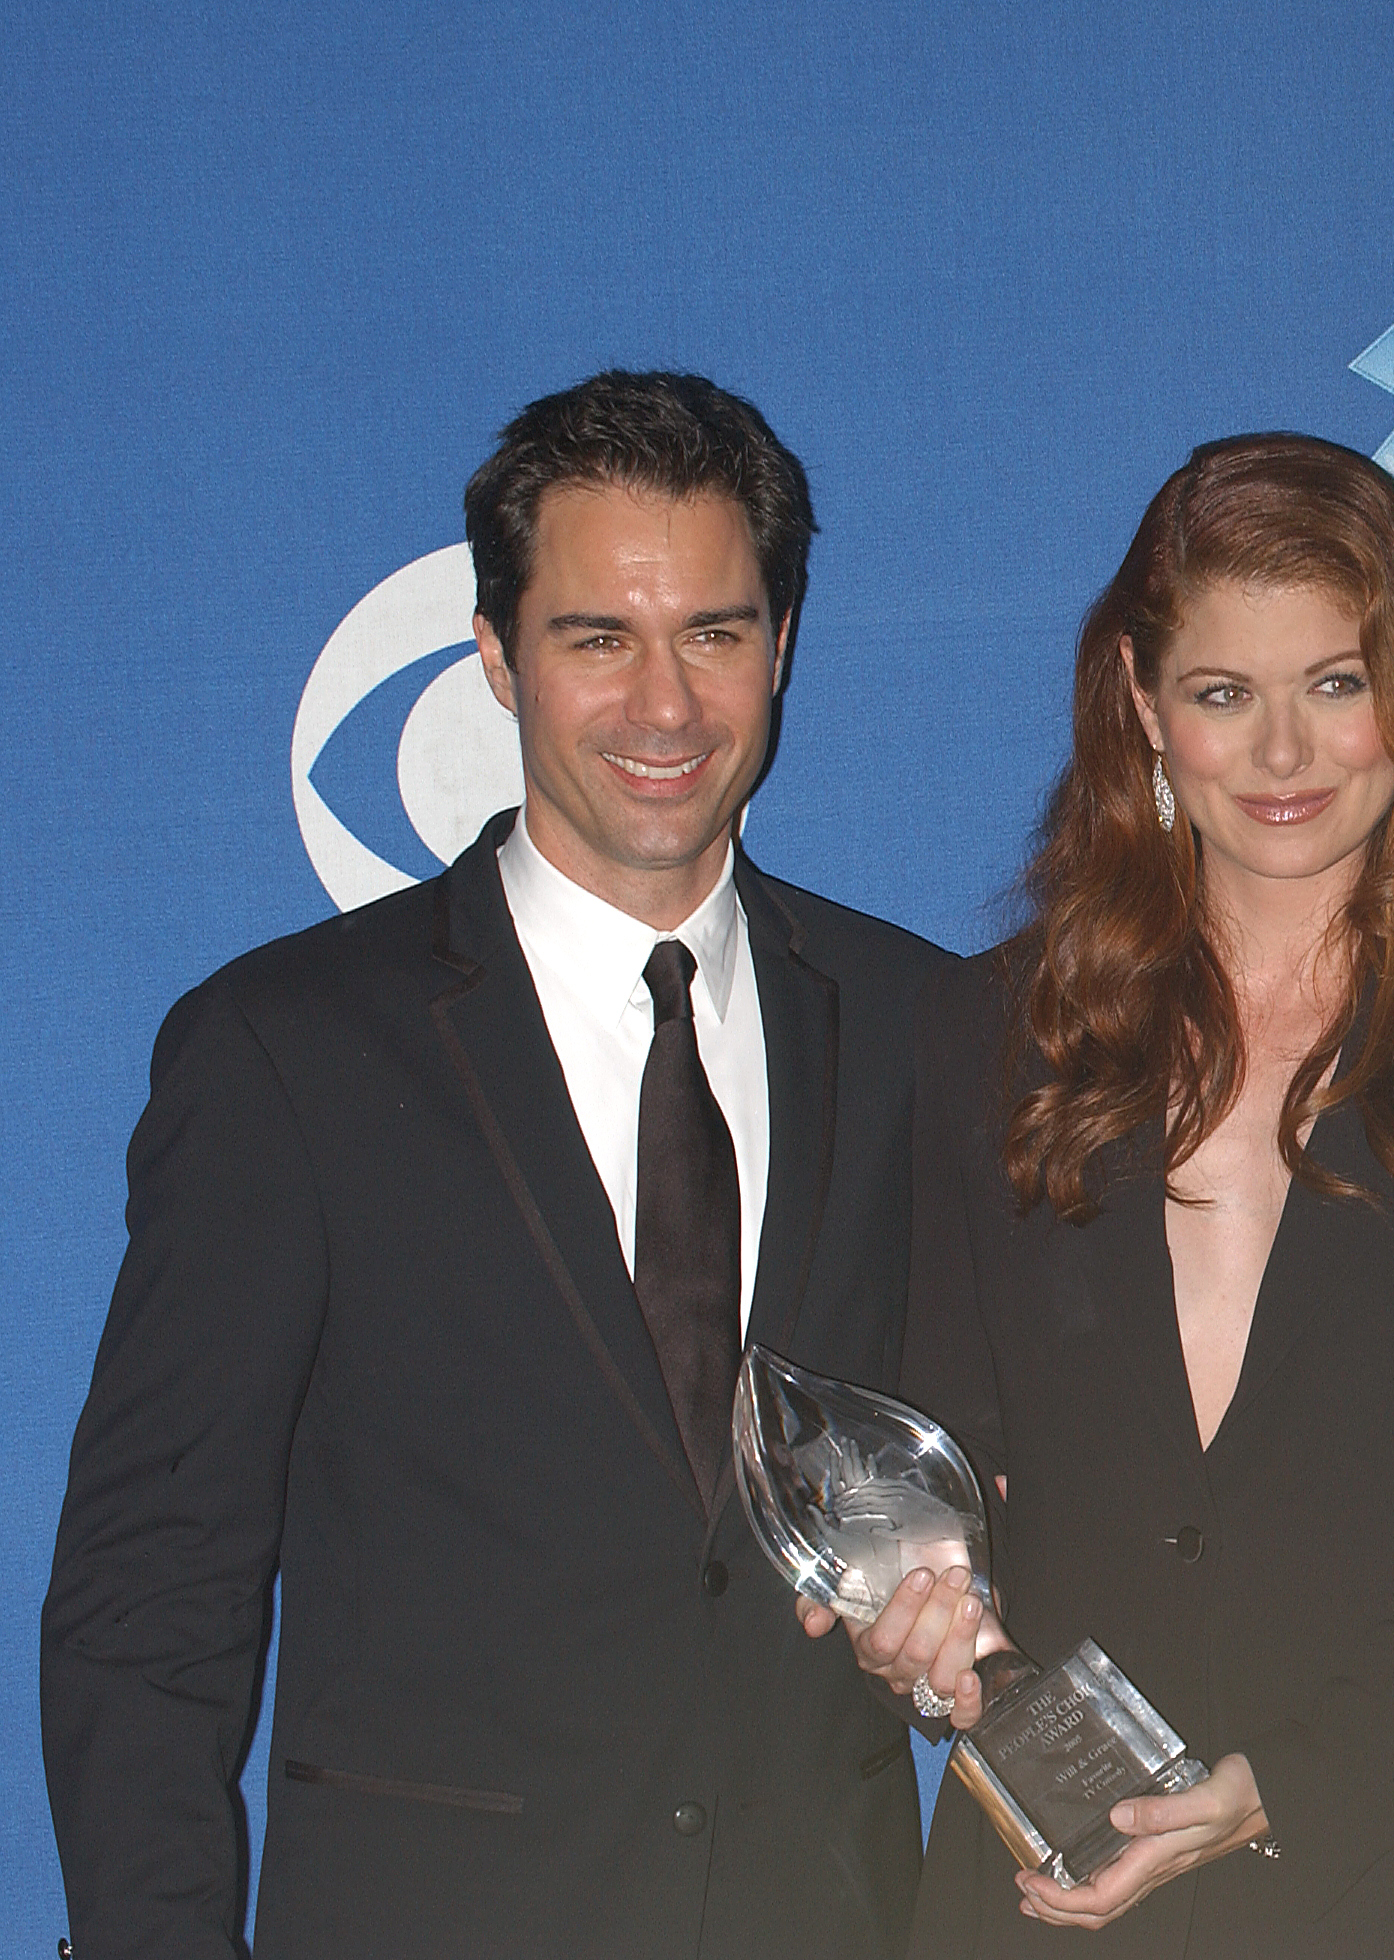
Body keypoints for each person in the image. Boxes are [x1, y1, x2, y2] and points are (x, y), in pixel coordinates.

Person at [40, 371, 948, 1958]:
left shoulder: (920, 1023)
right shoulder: (287, 1053)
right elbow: (150, 1599)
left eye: (715, 634)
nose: (663, 708)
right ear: (493, 656)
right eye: (597, 638)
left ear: (783, 647)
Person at [818, 432, 1394, 1957]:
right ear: (1146, 705)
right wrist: (923, 1620)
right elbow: (958, 1446)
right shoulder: (993, 1030)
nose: (1283, 755)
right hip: (1058, 1884)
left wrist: (1289, 1790)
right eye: (1225, 695)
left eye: (1336, 684)